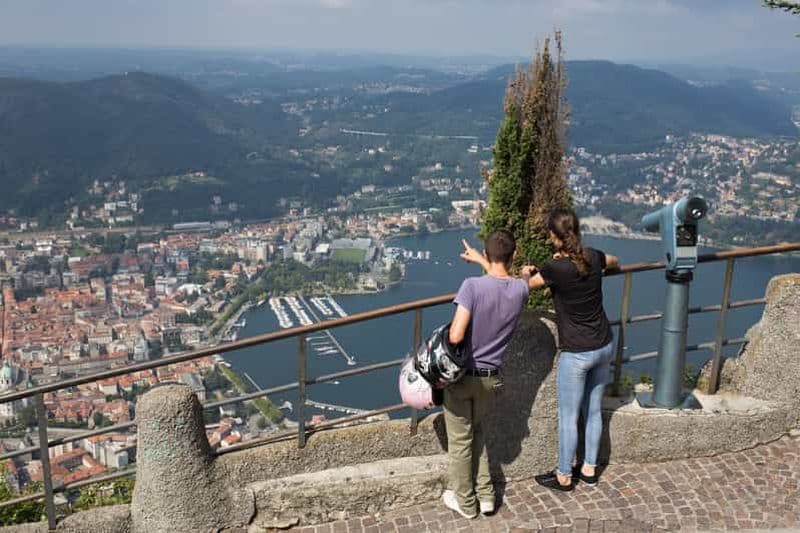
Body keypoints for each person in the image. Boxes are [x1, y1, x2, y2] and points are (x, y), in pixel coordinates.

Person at [522, 208, 619, 491]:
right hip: (604, 343)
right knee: (593, 411)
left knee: (568, 416)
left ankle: (564, 475)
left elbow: (527, 286)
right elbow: (614, 261)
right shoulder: (593, 256)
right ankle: (589, 469)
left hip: (576, 353)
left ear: (554, 237)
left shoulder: (554, 269)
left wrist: (527, 271)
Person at [442, 229, 529, 519]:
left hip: (463, 376)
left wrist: (483, 263)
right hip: (491, 377)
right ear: (514, 256)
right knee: (477, 432)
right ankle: (487, 496)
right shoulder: (520, 289)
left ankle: (466, 503)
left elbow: (455, 336)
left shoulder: (471, 287)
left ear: (486, 252)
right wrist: (485, 260)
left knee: (460, 442)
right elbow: (505, 280)